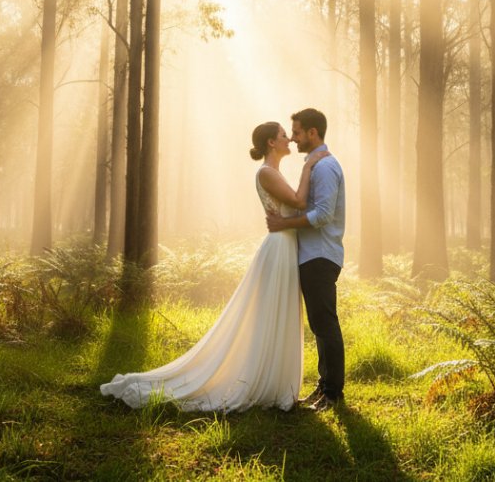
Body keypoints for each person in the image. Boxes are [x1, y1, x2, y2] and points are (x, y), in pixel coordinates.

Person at [99, 121, 327, 412]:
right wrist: (309, 166)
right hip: (279, 248)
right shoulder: (267, 173)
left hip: (285, 245)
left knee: (278, 313)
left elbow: (293, 205)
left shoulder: (275, 172)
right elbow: (298, 200)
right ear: (271, 142)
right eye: (284, 135)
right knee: (272, 313)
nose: (289, 140)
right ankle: (262, 380)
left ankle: (274, 381)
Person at [265, 107, 346, 412]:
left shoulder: (324, 167)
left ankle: (333, 393)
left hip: (321, 254)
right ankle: (325, 386)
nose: (294, 138)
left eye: (297, 132)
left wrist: (284, 224)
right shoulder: (316, 164)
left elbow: (323, 215)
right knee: (319, 323)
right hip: (312, 254)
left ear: (313, 133)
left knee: (325, 322)